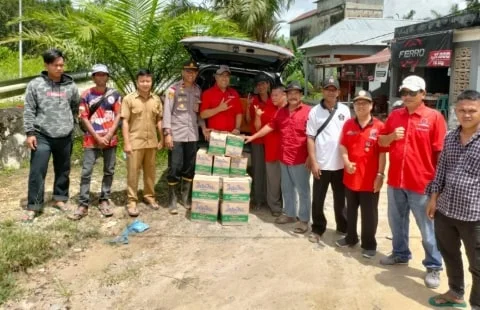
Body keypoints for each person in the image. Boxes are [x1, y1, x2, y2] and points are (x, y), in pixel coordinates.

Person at [378, 75, 446, 288]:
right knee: (397, 222)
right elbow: (381, 141)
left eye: (412, 93)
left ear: (423, 94)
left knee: (427, 228)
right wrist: (391, 138)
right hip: (396, 181)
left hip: (422, 184)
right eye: (404, 92)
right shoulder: (395, 116)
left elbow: (441, 154)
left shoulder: (434, 118)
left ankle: (434, 266)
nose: (407, 97)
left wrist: (438, 188)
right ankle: (400, 254)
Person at [425, 90, 480, 309]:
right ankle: (456, 292)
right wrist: (433, 198)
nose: (466, 115)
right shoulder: (450, 137)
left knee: (477, 264)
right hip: (446, 211)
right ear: (456, 111)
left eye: (472, 111)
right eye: (462, 110)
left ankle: (476, 304)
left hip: (474, 216)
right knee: (450, 254)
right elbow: (441, 171)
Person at [246, 81, 311, 234]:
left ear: (301, 95)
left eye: (296, 93)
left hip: (300, 158)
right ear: (286, 96)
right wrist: (253, 136)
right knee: (286, 188)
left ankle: (303, 220)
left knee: (303, 191)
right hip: (284, 157)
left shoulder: (309, 111)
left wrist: (312, 156)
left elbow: (313, 136)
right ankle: (289, 214)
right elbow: (270, 126)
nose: (293, 96)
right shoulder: (281, 112)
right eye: (290, 93)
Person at [23, 48, 80, 222]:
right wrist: (30, 132)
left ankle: (60, 199)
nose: (60, 68)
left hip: (64, 135)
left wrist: (72, 126)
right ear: (47, 65)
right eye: (56, 65)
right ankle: (34, 206)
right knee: (37, 170)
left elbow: (75, 107)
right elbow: (29, 110)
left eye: (62, 65)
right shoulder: (35, 85)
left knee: (63, 169)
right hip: (42, 136)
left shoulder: (70, 85)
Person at [336, 90, 387, 258]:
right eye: (357, 103)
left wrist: (380, 175)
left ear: (371, 105)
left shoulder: (379, 126)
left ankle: (369, 244)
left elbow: (382, 153)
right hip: (351, 177)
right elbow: (343, 145)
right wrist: (346, 161)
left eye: (365, 103)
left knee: (369, 214)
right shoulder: (349, 124)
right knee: (350, 210)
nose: (361, 106)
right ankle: (351, 238)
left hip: (369, 180)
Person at [68, 64, 122, 220]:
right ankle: (83, 204)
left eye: (103, 75)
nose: (100, 77)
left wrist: (110, 133)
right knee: (86, 172)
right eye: (97, 75)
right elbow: (84, 118)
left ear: (107, 77)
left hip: (110, 140)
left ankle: (104, 199)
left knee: (109, 170)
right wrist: (98, 137)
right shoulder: (86, 95)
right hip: (92, 140)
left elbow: (119, 115)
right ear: (93, 77)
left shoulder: (115, 94)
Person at [306, 77, 350, 243]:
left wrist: (348, 160)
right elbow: (310, 138)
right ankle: (317, 229)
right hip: (322, 164)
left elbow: (349, 136)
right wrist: (314, 161)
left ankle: (343, 227)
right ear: (323, 91)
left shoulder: (345, 110)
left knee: (341, 200)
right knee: (318, 199)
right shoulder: (314, 111)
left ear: (338, 92)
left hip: (340, 165)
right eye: (327, 89)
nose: (331, 92)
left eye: (334, 89)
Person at [163, 60, 208, 214]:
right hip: (176, 133)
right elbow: (167, 112)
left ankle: (185, 197)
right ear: (183, 72)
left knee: (189, 167)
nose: (191, 74)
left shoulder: (198, 90)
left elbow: (199, 113)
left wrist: (203, 126)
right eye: (188, 71)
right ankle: (172, 200)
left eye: (194, 72)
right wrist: (167, 134)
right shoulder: (172, 89)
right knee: (175, 166)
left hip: (193, 134)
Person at [121, 69, 163, 217]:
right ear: (137, 82)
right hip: (135, 142)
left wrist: (161, 138)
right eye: (142, 81)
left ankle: (149, 196)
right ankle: (132, 201)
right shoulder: (129, 99)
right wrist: (126, 143)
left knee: (150, 172)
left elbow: (159, 120)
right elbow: (125, 122)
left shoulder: (156, 99)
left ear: (151, 82)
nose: (145, 84)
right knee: (133, 172)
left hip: (151, 141)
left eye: (148, 81)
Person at [259, 84, 287, 217]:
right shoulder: (269, 106)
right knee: (273, 181)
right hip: (272, 149)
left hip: (287, 152)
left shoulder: (290, 108)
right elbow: (263, 126)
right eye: (272, 95)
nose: (273, 97)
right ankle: (275, 206)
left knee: (288, 182)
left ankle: (288, 208)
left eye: (276, 95)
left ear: (284, 95)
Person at [247, 73, 271, 210]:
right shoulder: (254, 101)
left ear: (268, 85)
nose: (261, 86)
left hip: (271, 142)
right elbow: (249, 121)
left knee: (271, 172)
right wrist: (248, 108)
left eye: (263, 83)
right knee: (258, 170)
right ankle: (258, 200)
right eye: (259, 84)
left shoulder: (274, 99)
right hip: (257, 140)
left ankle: (271, 200)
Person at [200, 65, 243, 134]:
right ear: (216, 77)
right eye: (222, 75)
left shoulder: (234, 93)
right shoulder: (207, 93)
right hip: (215, 135)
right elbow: (202, 115)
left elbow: (239, 113)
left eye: (227, 76)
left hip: (231, 135)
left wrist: (237, 128)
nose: (224, 78)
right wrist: (219, 109)